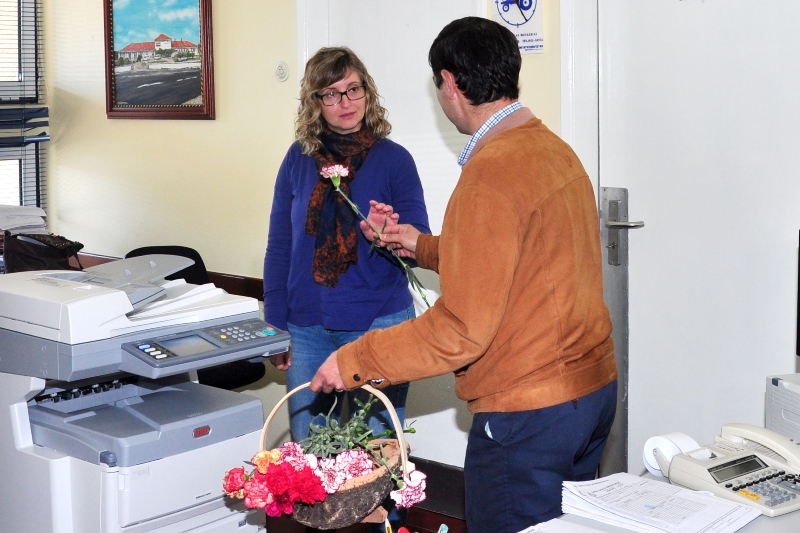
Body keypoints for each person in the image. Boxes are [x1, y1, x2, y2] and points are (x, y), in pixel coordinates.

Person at [310, 17, 618, 533]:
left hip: (530, 412)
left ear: (450, 84)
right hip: (588, 395)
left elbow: (461, 328)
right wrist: (420, 244)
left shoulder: (492, 173)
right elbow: (523, 263)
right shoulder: (551, 150)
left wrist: (358, 358)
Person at [262, 46, 430, 530]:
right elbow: (279, 242)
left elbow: (416, 239)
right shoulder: (298, 161)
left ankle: (383, 526)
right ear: (315, 102)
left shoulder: (395, 160)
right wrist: (276, 322)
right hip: (307, 325)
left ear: (367, 91)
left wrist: (386, 233)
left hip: (380, 322)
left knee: (379, 454)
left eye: (353, 89)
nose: (345, 102)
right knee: (311, 459)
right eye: (331, 94)